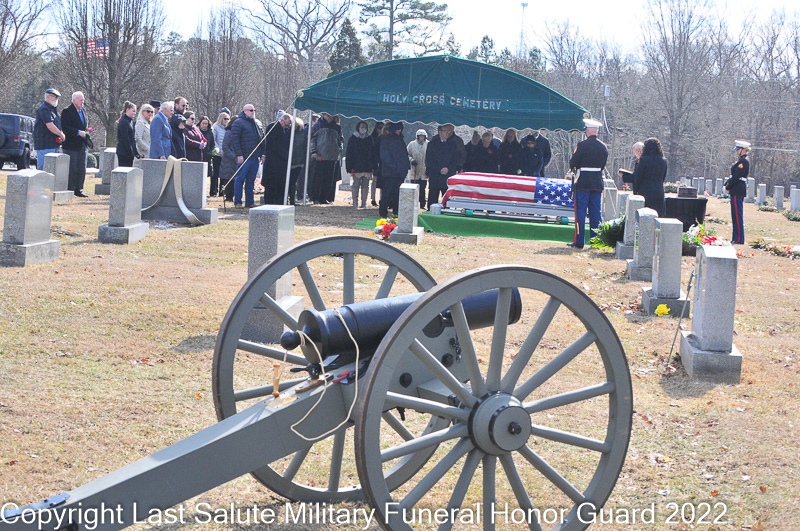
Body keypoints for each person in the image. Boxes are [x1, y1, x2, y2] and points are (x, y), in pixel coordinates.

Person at [568, 118, 608, 249]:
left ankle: (579, 241)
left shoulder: (582, 145)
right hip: (597, 182)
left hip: (583, 182)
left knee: (580, 212)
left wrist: (575, 170)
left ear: (588, 131)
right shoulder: (603, 146)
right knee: (596, 213)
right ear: (596, 131)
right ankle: (596, 241)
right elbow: (602, 165)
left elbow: (573, 163)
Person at [228, 104, 264, 208]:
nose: (253, 112)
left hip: (255, 157)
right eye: (251, 110)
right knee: (240, 179)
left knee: (251, 180)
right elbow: (234, 140)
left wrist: (262, 154)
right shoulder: (238, 122)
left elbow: (261, 139)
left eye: (254, 110)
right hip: (244, 157)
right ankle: (238, 202)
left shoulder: (256, 123)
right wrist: (239, 154)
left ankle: (250, 202)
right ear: (245, 111)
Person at [60, 91, 90, 197]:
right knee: (72, 168)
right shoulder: (67, 111)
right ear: (74, 100)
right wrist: (77, 132)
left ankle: (79, 189)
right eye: (80, 100)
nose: (83, 102)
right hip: (71, 145)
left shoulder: (84, 111)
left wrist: (86, 133)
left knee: (82, 168)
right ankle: (71, 188)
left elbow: (84, 126)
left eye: (83, 100)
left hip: (82, 144)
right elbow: (65, 127)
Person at [424, 123, 461, 209]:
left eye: (448, 131)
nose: (447, 133)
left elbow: (455, 159)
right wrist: (439, 169)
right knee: (432, 199)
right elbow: (429, 160)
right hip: (435, 176)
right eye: (445, 131)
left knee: (447, 201)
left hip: (447, 176)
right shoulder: (432, 144)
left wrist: (448, 168)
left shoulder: (453, 144)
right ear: (439, 132)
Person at [309, 112, 342, 204]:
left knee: (329, 179)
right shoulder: (317, 125)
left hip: (332, 157)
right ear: (324, 115)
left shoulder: (337, 127)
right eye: (327, 115)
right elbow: (312, 139)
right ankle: (315, 198)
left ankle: (324, 198)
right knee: (317, 178)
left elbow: (340, 141)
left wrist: (338, 151)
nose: (329, 117)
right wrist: (314, 152)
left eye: (331, 115)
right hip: (319, 156)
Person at [379, 122, 410, 218]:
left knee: (398, 195)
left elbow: (404, 155)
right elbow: (385, 156)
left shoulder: (401, 140)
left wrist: (405, 168)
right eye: (398, 129)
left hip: (399, 173)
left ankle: (396, 213)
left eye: (400, 129)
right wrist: (394, 167)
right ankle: (383, 213)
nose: (399, 131)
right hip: (389, 172)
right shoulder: (386, 140)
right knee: (386, 194)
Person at [262, 111, 293, 205]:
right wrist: (285, 154)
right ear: (282, 121)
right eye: (286, 125)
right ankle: (269, 203)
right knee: (271, 185)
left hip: (282, 163)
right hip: (273, 161)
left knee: (281, 185)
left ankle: (280, 202)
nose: (287, 127)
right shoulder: (272, 127)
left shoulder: (287, 130)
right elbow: (273, 145)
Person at [631, 137, 668, 216]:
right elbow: (663, 177)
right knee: (658, 216)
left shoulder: (643, 160)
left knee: (644, 216)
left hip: (645, 192)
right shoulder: (663, 161)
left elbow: (638, 177)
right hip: (659, 192)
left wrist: (636, 190)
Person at [345, 121, 374, 209]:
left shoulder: (369, 139)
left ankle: (364, 202)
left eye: (365, 127)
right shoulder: (353, 139)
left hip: (367, 167)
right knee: (356, 185)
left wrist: (373, 166)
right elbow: (349, 154)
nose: (363, 129)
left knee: (365, 185)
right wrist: (349, 167)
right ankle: (355, 202)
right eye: (362, 127)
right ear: (358, 128)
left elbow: (372, 153)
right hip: (356, 167)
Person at [726, 140, 750, 244]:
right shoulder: (741, 161)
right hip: (735, 189)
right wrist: (726, 184)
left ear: (743, 150)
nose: (736, 151)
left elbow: (736, 177)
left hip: (737, 189)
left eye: (738, 149)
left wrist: (728, 186)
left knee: (737, 215)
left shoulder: (744, 162)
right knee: (735, 215)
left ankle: (739, 238)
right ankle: (735, 238)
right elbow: (733, 175)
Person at [34, 88, 64, 169]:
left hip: (53, 145)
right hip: (45, 146)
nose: (57, 99)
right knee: (43, 170)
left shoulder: (53, 111)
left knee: (52, 170)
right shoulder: (44, 109)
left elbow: (58, 125)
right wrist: (61, 134)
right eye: (55, 97)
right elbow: (50, 125)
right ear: (48, 97)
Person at [218, 115, 238, 202]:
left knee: (234, 178)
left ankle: (233, 195)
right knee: (229, 178)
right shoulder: (229, 132)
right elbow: (225, 146)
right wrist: (233, 156)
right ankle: (228, 196)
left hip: (236, 159)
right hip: (229, 160)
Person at [407, 129, 428, 209]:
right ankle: (413, 204)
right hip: (414, 169)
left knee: (423, 188)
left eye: (423, 136)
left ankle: (422, 204)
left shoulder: (428, 144)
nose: (421, 137)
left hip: (424, 170)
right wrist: (411, 160)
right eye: (420, 136)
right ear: (417, 136)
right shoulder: (412, 144)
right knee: (414, 187)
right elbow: (407, 154)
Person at [289, 117, 307, 206]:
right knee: (289, 181)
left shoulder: (303, 133)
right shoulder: (288, 131)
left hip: (298, 161)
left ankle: (292, 200)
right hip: (289, 160)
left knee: (293, 182)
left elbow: (305, 146)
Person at [115, 101, 139, 167]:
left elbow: (132, 138)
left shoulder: (131, 121)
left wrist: (135, 152)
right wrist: (130, 152)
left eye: (135, 111)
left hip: (129, 152)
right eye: (133, 111)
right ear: (127, 110)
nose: (134, 113)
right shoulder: (123, 121)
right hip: (123, 152)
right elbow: (125, 138)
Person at [212, 112, 229, 196]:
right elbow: (213, 140)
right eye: (225, 119)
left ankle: (222, 192)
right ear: (221, 119)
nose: (226, 120)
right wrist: (217, 149)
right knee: (215, 173)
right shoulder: (215, 127)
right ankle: (213, 191)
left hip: (225, 154)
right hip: (217, 154)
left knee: (223, 174)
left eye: (228, 119)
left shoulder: (228, 129)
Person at [368, 122, 384, 207]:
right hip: (375, 162)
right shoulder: (372, 138)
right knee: (374, 181)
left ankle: (382, 199)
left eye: (382, 128)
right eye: (379, 128)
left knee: (383, 182)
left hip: (383, 162)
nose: (380, 130)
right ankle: (373, 199)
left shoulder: (385, 138)